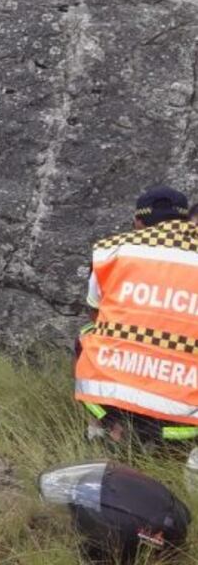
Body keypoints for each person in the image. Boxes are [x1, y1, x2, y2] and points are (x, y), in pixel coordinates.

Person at [75, 185, 198, 445]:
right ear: (185, 221)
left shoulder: (112, 251)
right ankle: (171, 440)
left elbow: (95, 314)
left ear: (137, 222)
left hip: (119, 386)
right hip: (185, 409)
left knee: (88, 336)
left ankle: (108, 426)